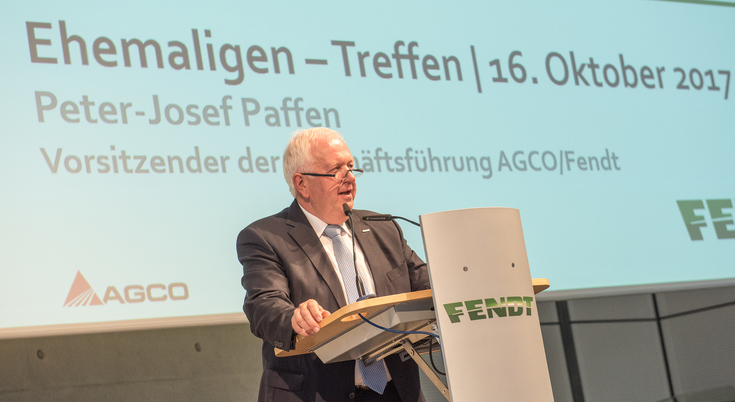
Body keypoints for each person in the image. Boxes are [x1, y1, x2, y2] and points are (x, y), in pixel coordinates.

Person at [237, 127, 430, 402]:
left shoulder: (384, 228)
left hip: (396, 392)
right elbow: (264, 304)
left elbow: (429, 286)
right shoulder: (265, 237)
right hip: (315, 393)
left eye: (351, 167)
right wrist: (294, 317)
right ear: (302, 184)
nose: (349, 177)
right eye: (336, 170)